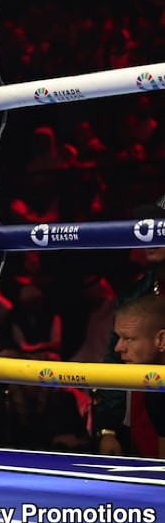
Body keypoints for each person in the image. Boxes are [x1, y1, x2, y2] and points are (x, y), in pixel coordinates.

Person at [93, 194, 165, 456]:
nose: (153, 235)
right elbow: (115, 359)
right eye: (150, 227)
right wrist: (109, 430)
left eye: (163, 227)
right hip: (141, 426)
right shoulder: (134, 294)